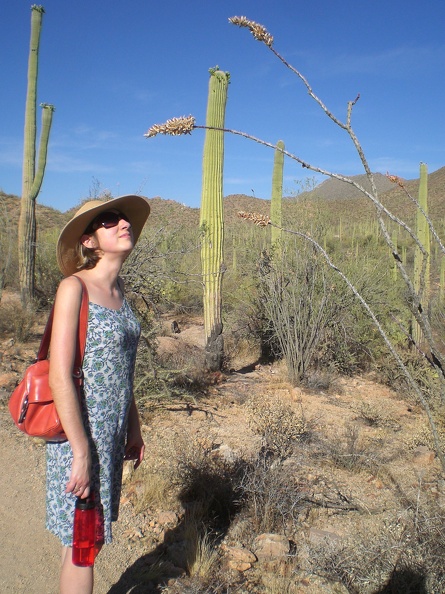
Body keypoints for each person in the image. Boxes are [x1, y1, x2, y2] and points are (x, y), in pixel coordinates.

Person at [47, 195, 151, 594]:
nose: (123, 222)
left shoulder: (122, 292)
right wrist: (80, 450)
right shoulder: (74, 288)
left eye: (123, 218)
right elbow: (60, 376)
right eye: (110, 220)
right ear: (89, 241)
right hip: (81, 435)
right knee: (83, 545)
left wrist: (134, 428)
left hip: (109, 436)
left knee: (80, 542)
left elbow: (123, 372)